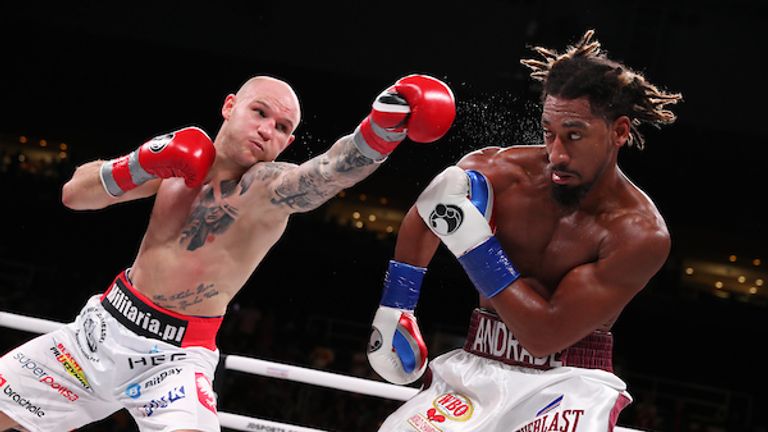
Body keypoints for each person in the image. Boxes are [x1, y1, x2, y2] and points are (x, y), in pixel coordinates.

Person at [0, 73, 456, 432]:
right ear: (229, 105)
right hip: (100, 330)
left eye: (282, 129)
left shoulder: (267, 190)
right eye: (260, 113)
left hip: (174, 361)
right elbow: (74, 195)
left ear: (287, 144)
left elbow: (330, 172)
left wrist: (380, 129)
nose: (267, 131)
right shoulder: (177, 164)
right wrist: (142, 161)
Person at [367, 29, 682, 431]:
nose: (557, 153)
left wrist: (472, 242)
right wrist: (398, 305)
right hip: (478, 366)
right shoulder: (501, 172)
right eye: (549, 132)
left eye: (574, 135)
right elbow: (427, 211)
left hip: (568, 381)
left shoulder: (638, 234)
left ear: (619, 132)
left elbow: (544, 334)